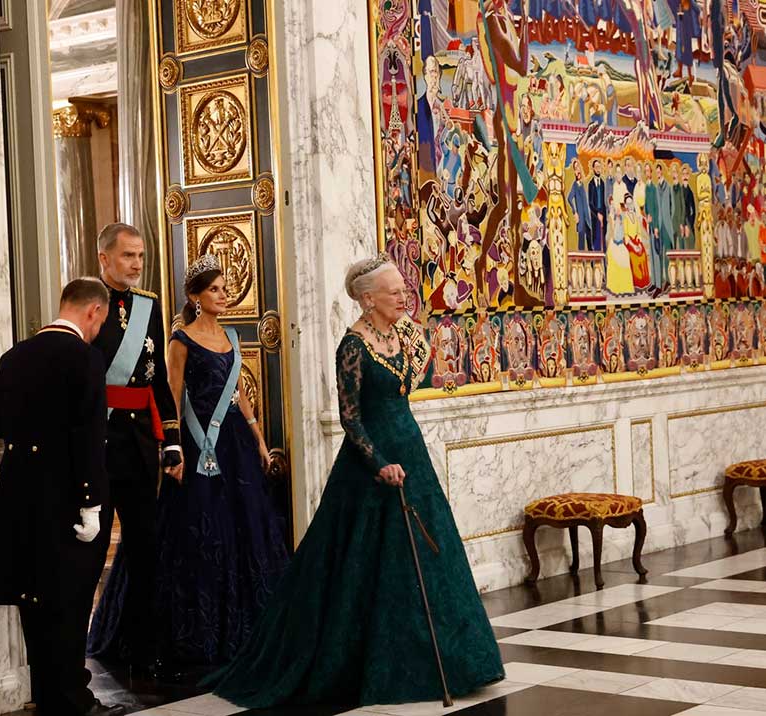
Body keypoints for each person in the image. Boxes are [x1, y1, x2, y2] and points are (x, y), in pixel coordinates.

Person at [204, 258, 504, 708]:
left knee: (430, 557)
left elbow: (412, 382)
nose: (404, 297)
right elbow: (351, 418)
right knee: (363, 566)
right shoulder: (353, 346)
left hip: (413, 454)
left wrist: (421, 343)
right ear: (368, 299)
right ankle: (369, 662)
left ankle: (456, 659)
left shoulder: (401, 335)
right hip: (370, 467)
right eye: (394, 291)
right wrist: (379, 462)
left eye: (404, 289)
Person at [0, 278, 124, 716]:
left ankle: (46, 695)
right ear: (94, 312)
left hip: (18, 493)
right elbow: (89, 436)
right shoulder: (85, 359)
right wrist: (92, 502)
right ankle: (73, 699)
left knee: (34, 599)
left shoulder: (13, 356)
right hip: (66, 496)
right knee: (71, 599)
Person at [156, 254, 289, 666]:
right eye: (214, 289)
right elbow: (172, 396)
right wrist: (172, 447)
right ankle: (203, 630)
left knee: (247, 526)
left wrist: (261, 442)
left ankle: (256, 627)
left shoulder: (233, 335)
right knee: (203, 529)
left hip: (236, 444)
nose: (224, 294)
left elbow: (242, 396)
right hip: (200, 449)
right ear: (195, 297)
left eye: (225, 288)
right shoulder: (180, 341)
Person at [87, 223, 183, 682]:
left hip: (141, 443)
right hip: (101, 443)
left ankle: (144, 647)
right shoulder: (87, 303)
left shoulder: (148, 305)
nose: (137, 264)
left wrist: (171, 439)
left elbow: (157, 379)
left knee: (145, 546)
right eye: (128, 256)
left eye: (141, 256)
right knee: (94, 545)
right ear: (104, 259)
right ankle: (91, 645)